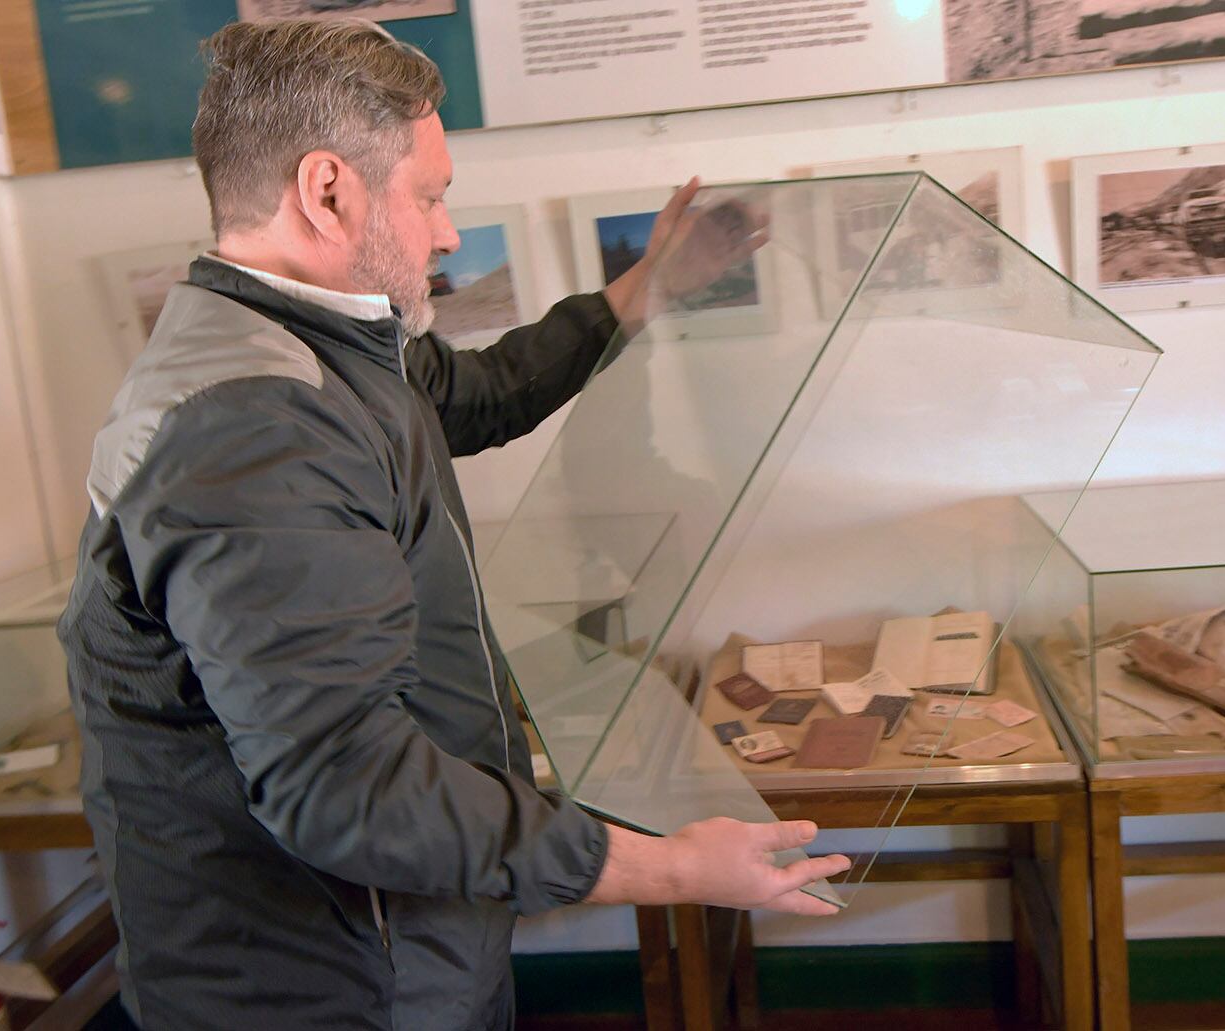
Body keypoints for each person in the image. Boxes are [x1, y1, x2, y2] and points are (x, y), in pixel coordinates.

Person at [57, 17, 847, 1031]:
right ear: (328, 189)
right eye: (428, 197)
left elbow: (473, 394)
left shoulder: (311, 342)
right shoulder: (251, 421)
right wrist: (671, 864)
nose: (443, 234)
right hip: (321, 982)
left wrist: (641, 292)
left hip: (390, 943)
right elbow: (348, 785)